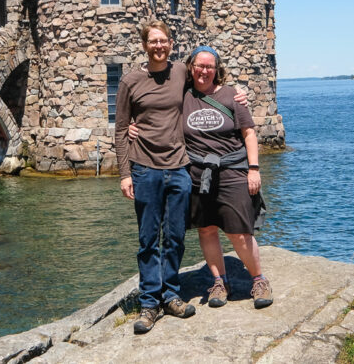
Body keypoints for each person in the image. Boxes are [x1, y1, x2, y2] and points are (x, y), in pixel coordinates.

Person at [114, 20, 196, 334]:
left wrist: (235, 97)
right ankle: (150, 303)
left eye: (163, 41)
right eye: (153, 41)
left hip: (178, 167)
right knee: (148, 239)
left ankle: (171, 295)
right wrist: (124, 174)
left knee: (175, 237)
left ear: (171, 43)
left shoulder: (180, 72)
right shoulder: (131, 81)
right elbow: (122, 130)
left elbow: (208, 78)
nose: (158, 46)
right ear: (145, 45)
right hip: (144, 168)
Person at [182, 45, 272, 309]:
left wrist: (253, 169)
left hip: (232, 172)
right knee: (207, 229)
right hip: (198, 174)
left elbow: (249, 133)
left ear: (217, 69)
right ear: (191, 67)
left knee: (239, 231)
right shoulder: (183, 97)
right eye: (200, 66)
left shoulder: (232, 96)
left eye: (210, 66)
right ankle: (219, 281)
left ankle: (258, 279)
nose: (204, 71)